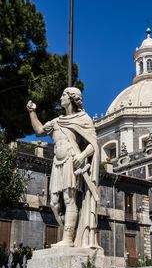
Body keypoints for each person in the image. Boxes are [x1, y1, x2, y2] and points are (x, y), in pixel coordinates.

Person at [26, 87, 99, 248]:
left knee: (68, 199)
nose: (60, 97)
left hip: (71, 162)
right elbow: (39, 130)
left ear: (72, 98)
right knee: (53, 202)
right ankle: (70, 230)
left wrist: (81, 156)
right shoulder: (57, 121)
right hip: (57, 163)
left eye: (64, 94)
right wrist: (32, 112)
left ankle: (67, 239)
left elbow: (93, 144)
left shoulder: (84, 119)